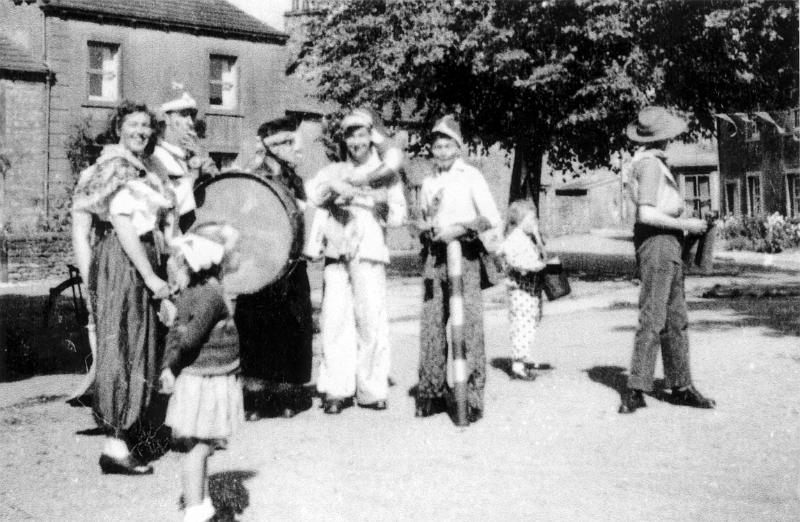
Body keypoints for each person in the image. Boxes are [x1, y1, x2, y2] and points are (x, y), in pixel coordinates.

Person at [71, 101, 175, 475]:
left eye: (146, 126)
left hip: (140, 255)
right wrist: (148, 276)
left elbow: (158, 223)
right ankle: (114, 445)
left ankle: (129, 433)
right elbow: (120, 222)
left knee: (140, 344)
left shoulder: (148, 169)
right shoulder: (113, 168)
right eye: (133, 125)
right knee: (124, 344)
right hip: (123, 259)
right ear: (119, 128)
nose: (141, 132)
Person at [305, 109, 407, 414]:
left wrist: (383, 209)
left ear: (371, 138)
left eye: (361, 135)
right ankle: (337, 389)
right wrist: (335, 189)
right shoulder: (334, 170)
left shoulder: (386, 172)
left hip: (370, 251)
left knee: (370, 319)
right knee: (335, 319)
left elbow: (400, 215)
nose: (356, 142)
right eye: (350, 136)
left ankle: (372, 389)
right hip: (337, 252)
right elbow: (314, 195)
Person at [619, 106, 716, 414]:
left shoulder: (651, 163)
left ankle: (681, 384)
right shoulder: (650, 166)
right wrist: (685, 224)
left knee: (675, 317)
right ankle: (636, 388)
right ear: (664, 137)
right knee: (654, 315)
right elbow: (646, 213)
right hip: (658, 244)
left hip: (666, 243)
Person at [415, 115, 502, 422]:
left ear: (458, 147)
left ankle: (473, 398)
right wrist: (426, 229)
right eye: (437, 145)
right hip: (435, 257)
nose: (442, 151)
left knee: (469, 328)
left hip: (465, 257)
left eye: (447, 144)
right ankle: (432, 392)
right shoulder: (428, 183)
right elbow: (423, 218)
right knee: (432, 325)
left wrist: (460, 229)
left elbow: (490, 217)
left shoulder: (471, 176)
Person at [159, 222, 242, 522]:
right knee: (199, 446)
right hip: (205, 379)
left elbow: (176, 334)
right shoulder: (211, 296)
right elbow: (190, 337)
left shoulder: (193, 292)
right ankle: (195, 510)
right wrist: (174, 364)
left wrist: (169, 367)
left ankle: (201, 504)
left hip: (198, 377)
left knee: (200, 444)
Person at [235, 116, 314, 420]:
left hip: (292, 264)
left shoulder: (294, 178)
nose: (293, 148)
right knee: (258, 325)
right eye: (285, 143)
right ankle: (255, 397)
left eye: (292, 142)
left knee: (292, 325)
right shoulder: (256, 175)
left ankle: (285, 394)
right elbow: (244, 215)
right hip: (262, 264)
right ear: (271, 146)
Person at [150, 91, 219, 230]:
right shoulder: (157, 156)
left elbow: (218, 190)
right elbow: (169, 205)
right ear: (167, 118)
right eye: (183, 115)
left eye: (192, 116)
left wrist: (203, 159)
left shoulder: (191, 155)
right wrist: (194, 174)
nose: (190, 122)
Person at [497, 199, 549, 381]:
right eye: (532, 219)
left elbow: (543, 254)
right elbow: (507, 256)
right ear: (519, 220)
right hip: (520, 289)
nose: (535, 223)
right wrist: (530, 266)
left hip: (532, 289)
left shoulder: (529, 238)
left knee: (531, 321)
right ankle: (518, 364)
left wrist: (538, 237)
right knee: (522, 323)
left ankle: (523, 354)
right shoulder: (515, 238)